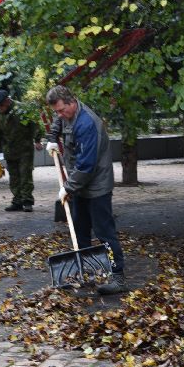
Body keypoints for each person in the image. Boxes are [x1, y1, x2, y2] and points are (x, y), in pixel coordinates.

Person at [45, 84, 125, 295]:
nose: (60, 115)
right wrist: (53, 138)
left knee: (104, 232)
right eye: (57, 112)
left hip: (96, 184)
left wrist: (67, 187)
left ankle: (118, 277)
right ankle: (87, 271)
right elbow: (58, 120)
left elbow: (87, 165)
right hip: (79, 184)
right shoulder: (66, 114)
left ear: (72, 101)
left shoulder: (87, 124)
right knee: (80, 229)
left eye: (62, 110)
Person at [0, 88, 37, 211]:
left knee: (25, 175)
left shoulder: (22, 109)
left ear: (7, 101)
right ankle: (17, 201)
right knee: (14, 177)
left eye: (1, 105)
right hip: (9, 151)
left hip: (25, 149)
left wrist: (37, 140)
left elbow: (34, 124)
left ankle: (27, 201)